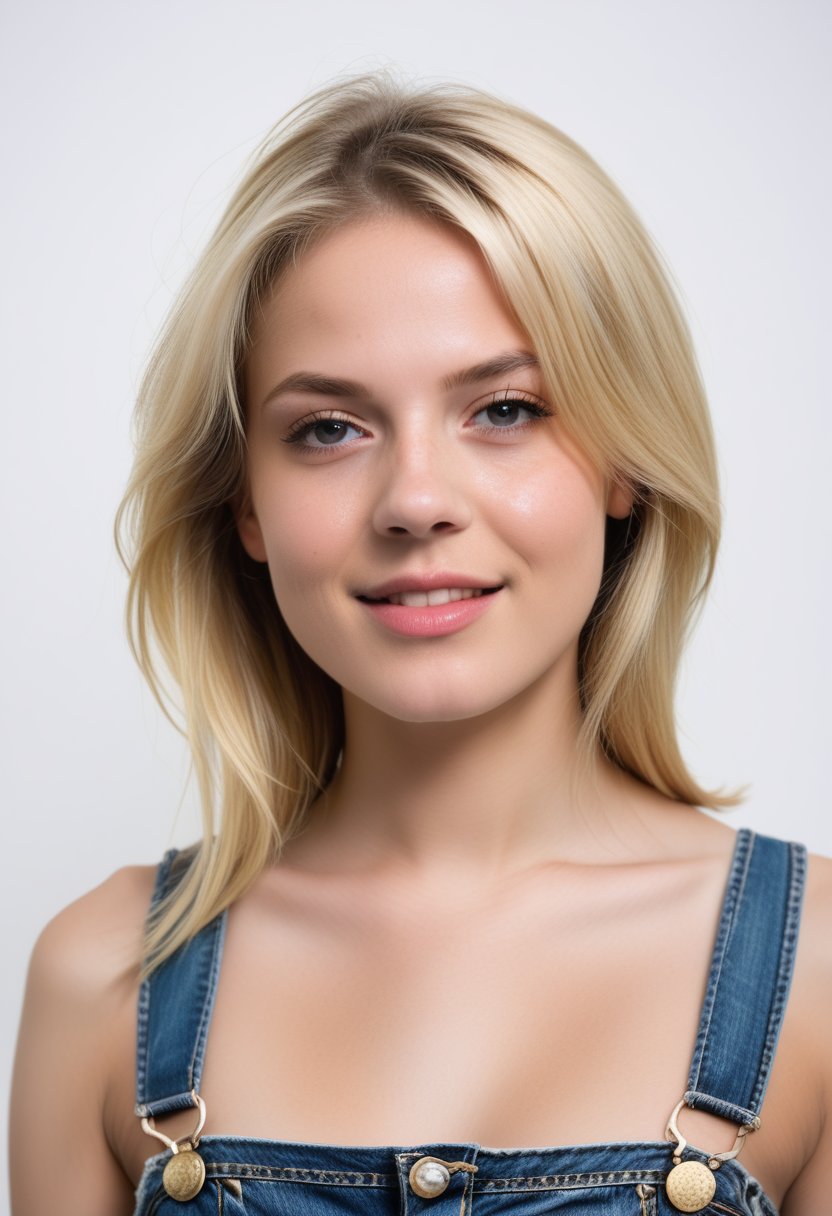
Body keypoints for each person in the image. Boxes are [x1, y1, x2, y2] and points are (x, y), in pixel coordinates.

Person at [9, 70, 831, 1215]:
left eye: (503, 408)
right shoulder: (99, 976)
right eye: (329, 429)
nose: (416, 499)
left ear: (623, 463)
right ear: (243, 504)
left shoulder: (817, 976)